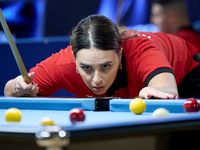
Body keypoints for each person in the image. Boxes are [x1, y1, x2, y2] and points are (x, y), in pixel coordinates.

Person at [4, 14, 200, 99]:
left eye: (106, 66)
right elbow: (9, 91)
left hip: (188, 75)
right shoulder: (63, 64)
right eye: (86, 68)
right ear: (74, 59)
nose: (96, 80)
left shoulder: (141, 51)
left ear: (119, 53)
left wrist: (150, 92)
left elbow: (167, 90)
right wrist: (19, 86)